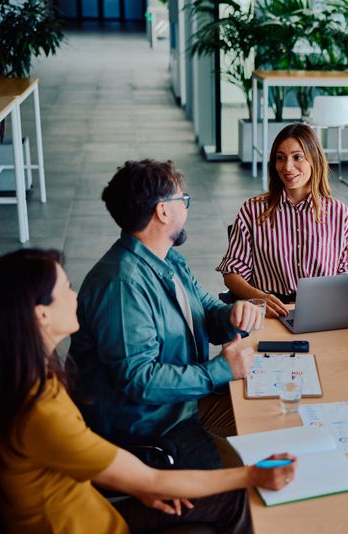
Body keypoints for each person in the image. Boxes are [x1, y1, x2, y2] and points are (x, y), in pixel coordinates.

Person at [0, 249, 296, 534]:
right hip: (98, 526)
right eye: (66, 289)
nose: (76, 296)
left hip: (95, 513)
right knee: (236, 495)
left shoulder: (21, 380)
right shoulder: (38, 411)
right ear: (41, 315)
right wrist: (253, 473)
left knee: (222, 500)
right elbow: (150, 480)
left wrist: (142, 488)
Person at [70, 159, 258, 469]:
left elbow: (206, 313)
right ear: (163, 211)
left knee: (270, 413)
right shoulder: (122, 285)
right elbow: (139, 381)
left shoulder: (168, 259)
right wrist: (220, 370)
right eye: (183, 200)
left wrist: (233, 315)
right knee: (247, 481)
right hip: (148, 431)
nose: (187, 209)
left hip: (181, 403)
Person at [217, 123, 348, 318]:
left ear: (314, 159)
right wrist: (261, 298)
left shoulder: (338, 213)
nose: (287, 167)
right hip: (270, 314)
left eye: (297, 157)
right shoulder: (253, 210)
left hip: (322, 312)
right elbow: (232, 273)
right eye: (280, 158)